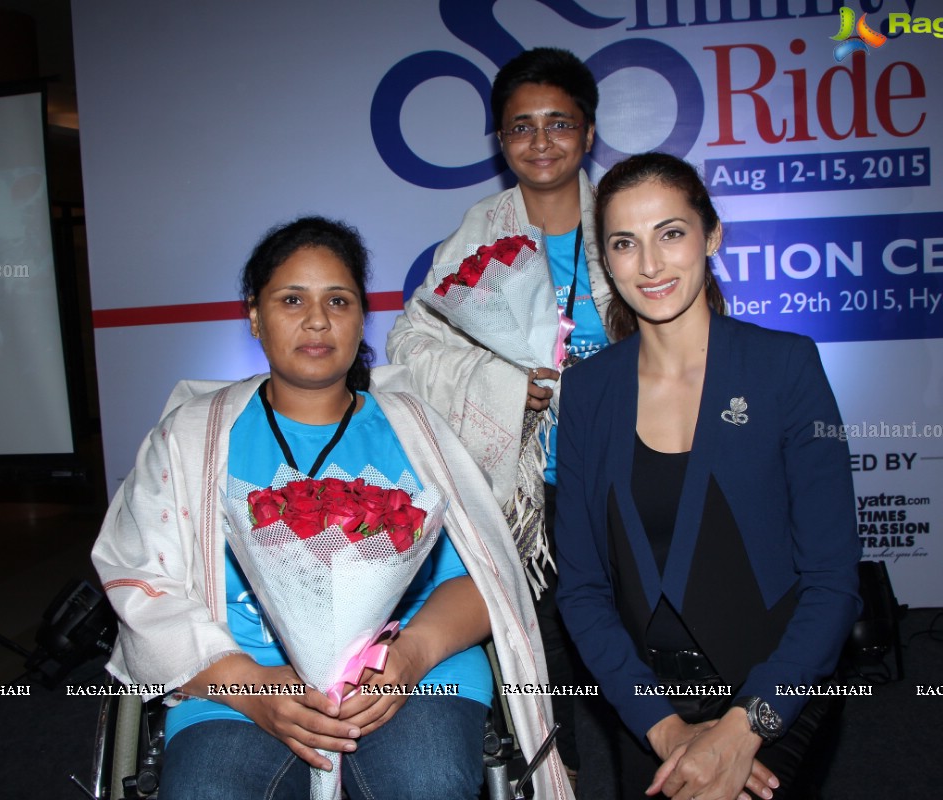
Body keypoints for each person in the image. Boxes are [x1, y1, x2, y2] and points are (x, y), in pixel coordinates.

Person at [93, 217, 571, 799]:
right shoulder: (191, 439)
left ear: (360, 318)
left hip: (412, 674)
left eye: (337, 301)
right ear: (254, 315)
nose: (317, 320)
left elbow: (482, 581)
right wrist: (251, 686)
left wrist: (412, 655)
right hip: (237, 680)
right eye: (291, 299)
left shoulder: (415, 432)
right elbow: (143, 583)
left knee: (424, 786)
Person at [554, 153, 862, 799]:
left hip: (779, 687)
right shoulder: (587, 391)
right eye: (624, 243)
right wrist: (664, 731)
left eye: (671, 233)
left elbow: (834, 583)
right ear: (605, 261)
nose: (651, 264)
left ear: (711, 235)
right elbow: (581, 589)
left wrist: (744, 727)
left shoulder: (785, 367)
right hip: (651, 706)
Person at [386, 47, 611, 778]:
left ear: (588, 130)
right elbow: (410, 339)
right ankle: (560, 779)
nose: (540, 142)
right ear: (500, 140)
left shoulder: (626, 213)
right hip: (528, 492)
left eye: (558, 123)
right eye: (520, 126)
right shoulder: (483, 227)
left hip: (628, 472)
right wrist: (504, 382)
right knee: (545, 653)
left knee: (637, 642)